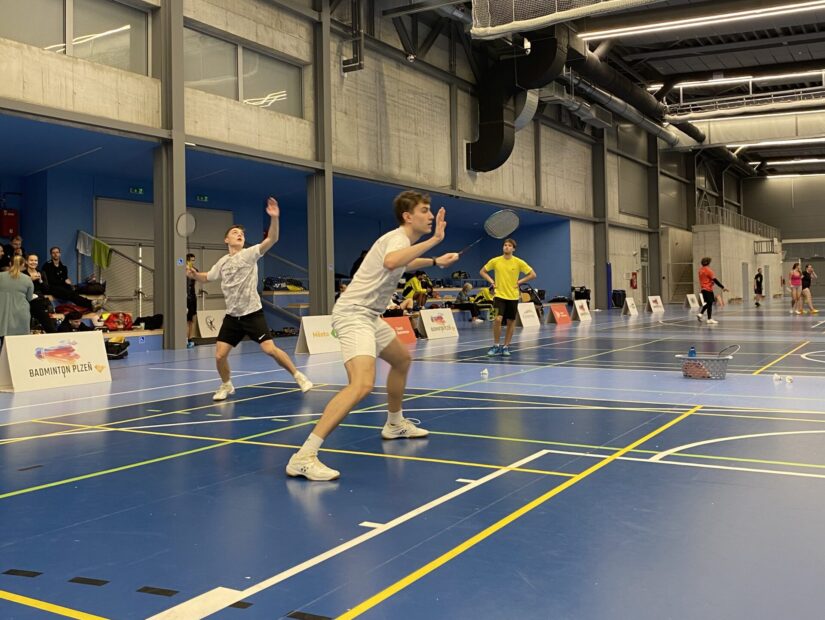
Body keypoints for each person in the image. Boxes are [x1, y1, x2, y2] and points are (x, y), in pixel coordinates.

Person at [286, 190, 459, 481]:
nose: (430, 216)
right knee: (362, 384)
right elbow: (392, 262)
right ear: (408, 216)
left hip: (369, 316)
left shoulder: (401, 243)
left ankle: (394, 424)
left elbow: (403, 263)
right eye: (425, 210)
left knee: (401, 360)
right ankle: (303, 456)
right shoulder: (397, 239)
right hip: (354, 313)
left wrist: (434, 261)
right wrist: (435, 241)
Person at [186, 197, 313, 400]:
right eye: (235, 233)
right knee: (219, 355)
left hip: (252, 314)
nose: (240, 235)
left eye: (242, 234)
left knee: (270, 350)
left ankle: (299, 376)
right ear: (226, 240)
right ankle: (226, 385)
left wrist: (274, 218)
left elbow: (272, 239)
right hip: (232, 317)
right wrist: (194, 275)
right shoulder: (223, 262)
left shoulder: (249, 254)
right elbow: (207, 277)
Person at [480, 238, 536, 357]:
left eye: (510, 245)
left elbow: (532, 274)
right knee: (497, 319)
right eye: (505, 245)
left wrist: (520, 281)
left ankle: (505, 347)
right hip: (498, 296)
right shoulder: (495, 261)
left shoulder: (519, 262)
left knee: (511, 322)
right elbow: (482, 271)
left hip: (513, 297)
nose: (507, 247)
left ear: (513, 249)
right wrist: (492, 282)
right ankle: (496, 345)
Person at [41, 246, 95, 311]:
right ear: (51, 254)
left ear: (60, 254)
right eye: (53, 253)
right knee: (71, 294)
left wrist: (68, 283)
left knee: (74, 291)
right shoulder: (47, 266)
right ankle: (90, 303)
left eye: (57, 252)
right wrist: (64, 281)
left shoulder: (63, 267)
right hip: (52, 288)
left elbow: (65, 279)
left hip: (62, 287)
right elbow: (51, 281)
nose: (55, 254)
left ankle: (90, 305)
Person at [0, 256, 34, 349]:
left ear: (10, 264)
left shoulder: (0, 276)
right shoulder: (27, 279)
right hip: (20, 314)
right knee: (19, 346)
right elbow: (29, 297)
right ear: (23, 265)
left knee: (3, 346)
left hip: (2, 313)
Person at [22, 254, 57, 333]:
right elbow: (21, 287)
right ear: (26, 262)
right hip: (25, 300)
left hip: (38, 300)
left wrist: (40, 280)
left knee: (46, 319)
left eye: (35, 260)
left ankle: (52, 333)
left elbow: (47, 290)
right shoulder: (22, 274)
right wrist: (30, 280)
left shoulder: (41, 272)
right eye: (31, 260)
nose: (33, 262)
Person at [697, 257, 728, 325]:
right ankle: (708, 318)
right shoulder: (708, 270)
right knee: (710, 303)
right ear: (708, 263)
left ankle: (702, 315)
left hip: (703, 289)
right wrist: (722, 287)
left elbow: (706, 279)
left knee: (709, 303)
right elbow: (715, 280)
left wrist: (710, 282)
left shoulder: (700, 270)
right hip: (708, 289)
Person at [186, 253, 198, 347]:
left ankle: (190, 339)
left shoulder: (195, 270)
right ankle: (185, 339)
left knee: (192, 319)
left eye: (193, 260)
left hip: (193, 297)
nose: (192, 262)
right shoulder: (182, 270)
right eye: (191, 260)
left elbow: (196, 277)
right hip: (186, 297)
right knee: (186, 320)